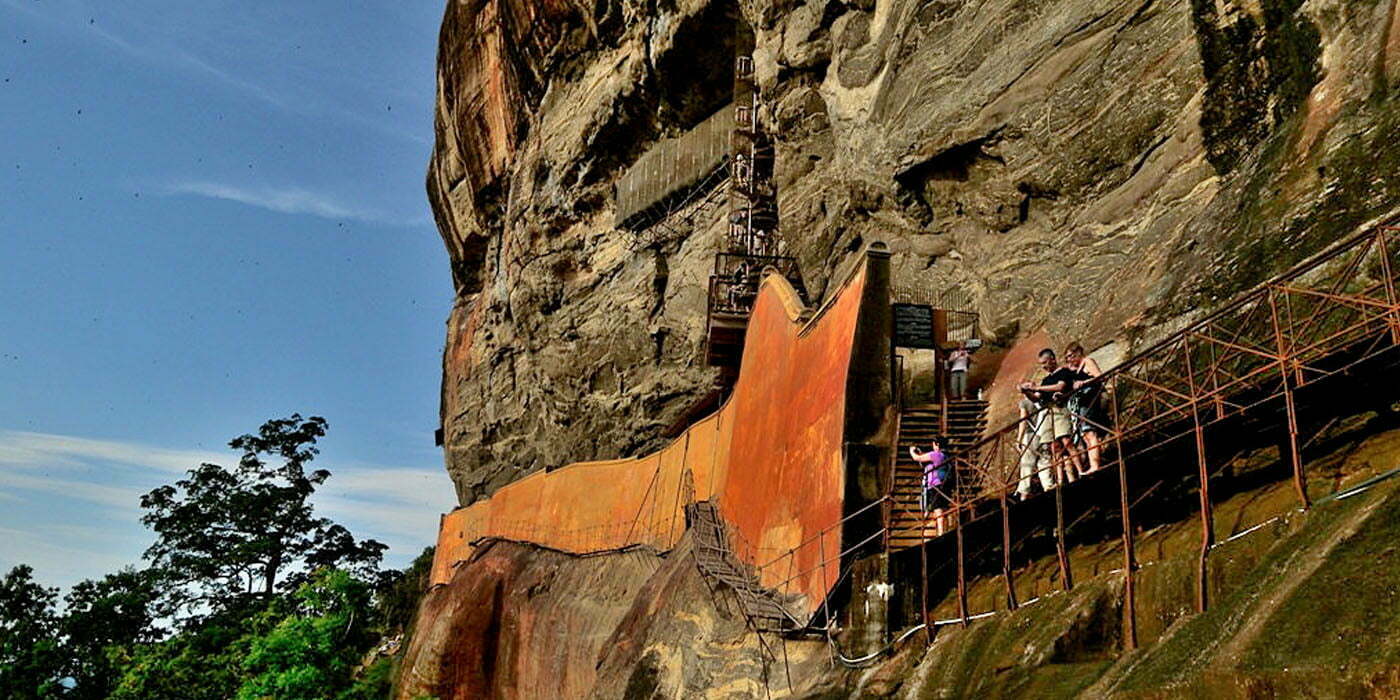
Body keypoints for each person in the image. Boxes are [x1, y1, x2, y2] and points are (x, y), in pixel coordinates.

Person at [1019, 349, 1083, 486]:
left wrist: (1037, 388)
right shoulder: (1045, 380)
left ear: (1052, 359)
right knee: (1054, 447)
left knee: (1066, 441)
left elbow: (1060, 386)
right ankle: (1060, 479)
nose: (1043, 366)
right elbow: (1036, 398)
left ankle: (1080, 470)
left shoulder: (1063, 372)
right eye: (1041, 364)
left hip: (1059, 409)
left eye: (1045, 362)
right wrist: (1027, 392)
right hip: (1048, 412)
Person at [1064, 342, 1106, 475]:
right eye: (1067, 358)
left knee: (1089, 432)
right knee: (1085, 434)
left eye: (1071, 356)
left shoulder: (1088, 361)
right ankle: (1093, 464)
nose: (1069, 360)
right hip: (1084, 400)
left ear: (1078, 353)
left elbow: (1100, 376)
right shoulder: (1077, 369)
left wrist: (1083, 382)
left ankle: (1095, 465)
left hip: (1092, 397)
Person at [910, 439, 953, 537]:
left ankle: (941, 533)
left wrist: (912, 451)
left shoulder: (936, 454)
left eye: (933, 445)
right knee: (944, 509)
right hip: (945, 483)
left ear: (937, 444)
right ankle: (945, 531)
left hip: (936, 484)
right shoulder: (946, 455)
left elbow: (917, 458)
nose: (933, 447)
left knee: (938, 510)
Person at [1016, 396, 1055, 499]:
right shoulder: (1042, 402)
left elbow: (1023, 420)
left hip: (1030, 435)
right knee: (1044, 463)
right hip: (1043, 434)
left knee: (1027, 465)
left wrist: (1019, 438)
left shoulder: (1024, 402)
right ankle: (1048, 487)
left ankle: (1024, 495)